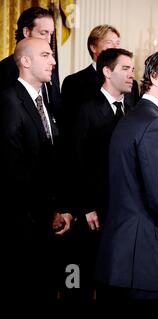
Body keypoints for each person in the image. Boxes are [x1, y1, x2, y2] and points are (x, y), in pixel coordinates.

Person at [95, 49, 158, 300]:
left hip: (122, 257)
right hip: (144, 261)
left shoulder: (136, 117)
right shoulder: (155, 125)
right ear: (156, 78)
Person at [0, 37, 72, 299]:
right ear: (26, 61)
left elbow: (55, 162)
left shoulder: (47, 102)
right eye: (45, 55)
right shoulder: (8, 102)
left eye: (52, 55)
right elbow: (14, 171)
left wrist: (63, 208)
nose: (53, 61)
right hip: (23, 226)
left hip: (47, 222)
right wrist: (49, 212)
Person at [67, 48, 135, 300]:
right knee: (84, 278)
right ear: (107, 71)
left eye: (133, 69)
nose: (132, 75)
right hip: (94, 209)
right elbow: (75, 161)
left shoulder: (132, 107)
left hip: (122, 208)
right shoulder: (86, 109)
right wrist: (85, 207)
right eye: (125, 69)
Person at [61, 25, 139, 135]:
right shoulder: (74, 82)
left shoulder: (132, 85)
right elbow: (70, 128)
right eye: (109, 42)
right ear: (93, 47)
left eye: (117, 43)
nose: (115, 47)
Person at [0, 6, 61, 122]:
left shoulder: (49, 66)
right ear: (27, 32)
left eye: (51, 34)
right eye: (44, 33)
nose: (48, 40)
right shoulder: (5, 69)